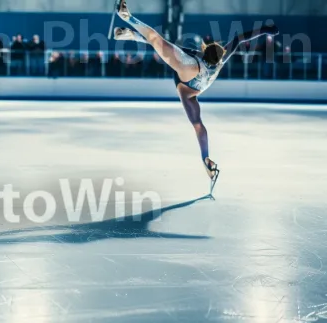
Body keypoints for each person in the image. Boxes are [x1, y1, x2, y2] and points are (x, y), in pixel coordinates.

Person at [113, 0, 279, 193]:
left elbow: (156, 39)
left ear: (203, 52)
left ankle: (127, 20)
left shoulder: (189, 64)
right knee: (197, 122)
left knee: (160, 41)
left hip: (186, 79)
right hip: (194, 87)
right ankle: (130, 35)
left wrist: (266, 29)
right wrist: (267, 29)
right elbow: (240, 38)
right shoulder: (222, 58)